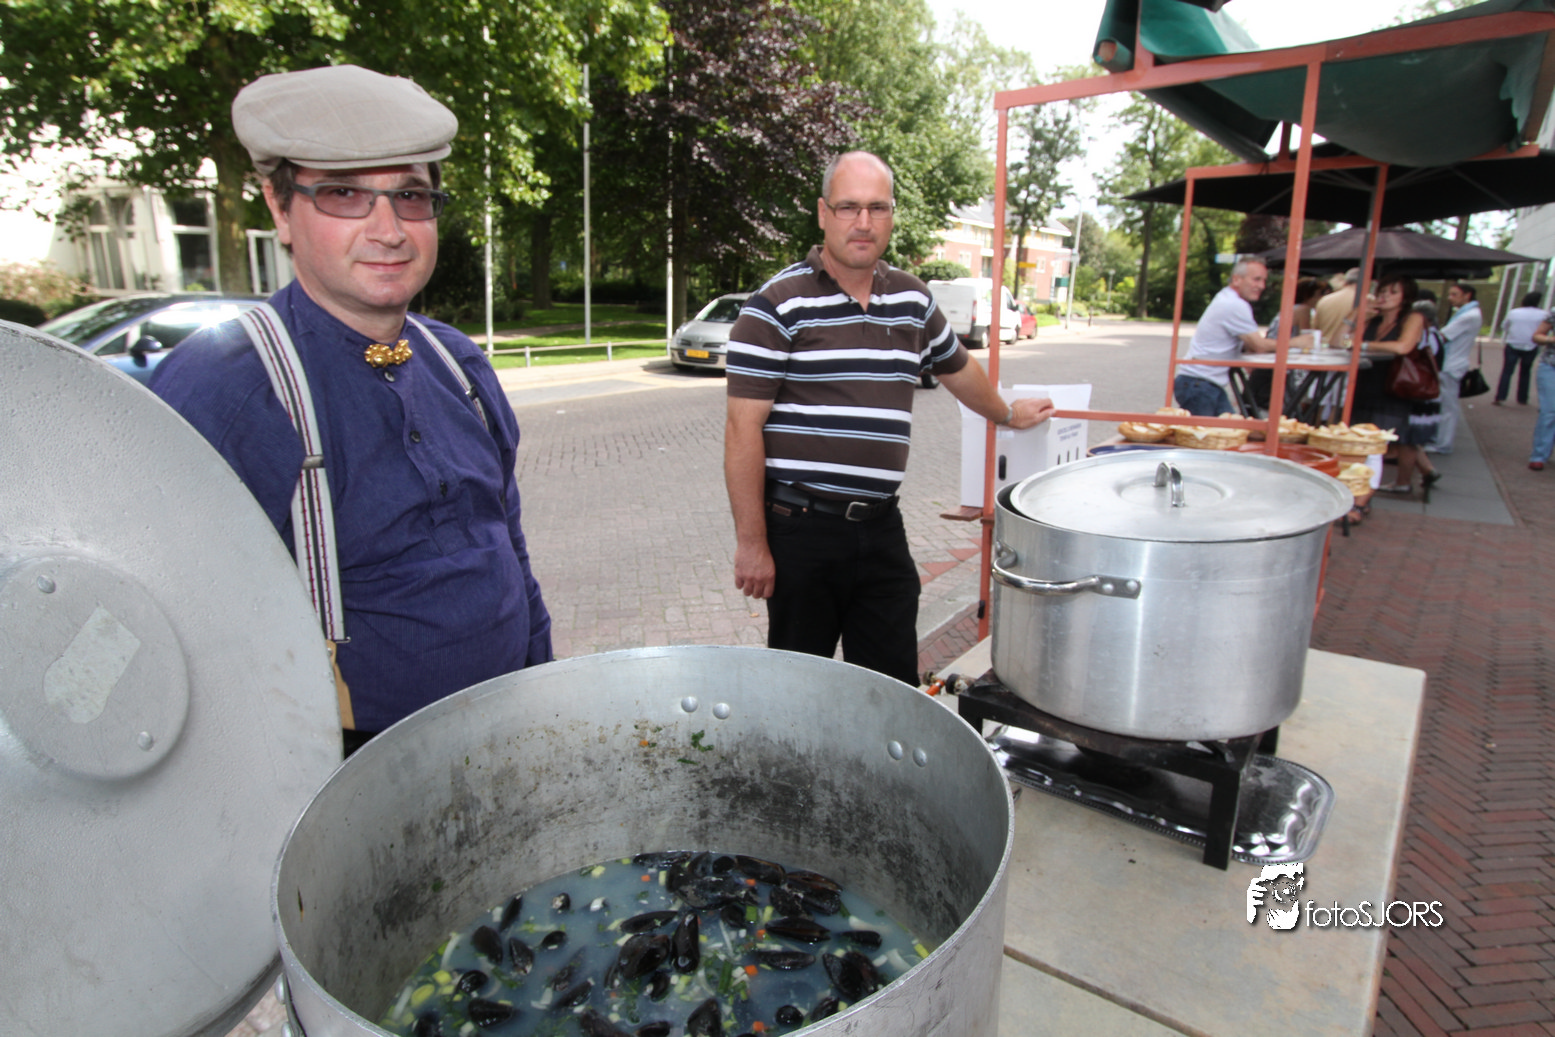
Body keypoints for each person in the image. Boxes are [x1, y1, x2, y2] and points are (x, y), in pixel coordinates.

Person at [151, 65, 552, 752]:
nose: (389, 230)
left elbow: (508, 537)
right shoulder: (227, 385)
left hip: (506, 725)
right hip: (340, 763)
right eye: (345, 194)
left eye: (411, 196)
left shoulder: (458, 361)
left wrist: (544, 675)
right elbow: (175, 633)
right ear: (281, 210)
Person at [723, 151, 1056, 687]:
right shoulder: (776, 304)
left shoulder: (912, 298)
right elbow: (742, 431)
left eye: (877, 208)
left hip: (881, 529)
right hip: (802, 530)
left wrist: (1008, 413)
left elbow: (957, 368)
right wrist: (752, 544)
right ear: (823, 213)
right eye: (848, 207)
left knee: (892, 684)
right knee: (797, 684)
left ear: (891, 215)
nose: (863, 222)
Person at [1174, 257, 1313, 417]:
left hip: (1200, 382)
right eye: (1256, 279)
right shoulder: (1235, 304)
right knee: (1217, 430)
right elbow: (1258, 345)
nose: (1262, 286)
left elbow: (1250, 345)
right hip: (1200, 383)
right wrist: (1297, 342)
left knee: (1229, 428)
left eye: (1264, 280)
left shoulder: (1226, 297)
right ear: (1236, 280)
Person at [1352, 273, 1440, 495]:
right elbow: (1340, 342)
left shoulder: (1413, 317)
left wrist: (1363, 345)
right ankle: (1358, 490)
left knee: (1376, 446)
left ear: (1405, 296)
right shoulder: (1372, 319)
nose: (1385, 296)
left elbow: (1403, 347)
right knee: (1358, 441)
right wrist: (1354, 316)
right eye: (1382, 291)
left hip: (1395, 387)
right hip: (1364, 385)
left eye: (1393, 292)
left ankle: (1365, 498)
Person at [1430, 282, 1482, 454]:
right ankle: (1440, 440)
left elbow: (1443, 336)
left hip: (1450, 365)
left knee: (1447, 407)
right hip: (1453, 363)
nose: (1450, 298)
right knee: (1446, 405)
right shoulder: (1468, 313)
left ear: (1467, 295)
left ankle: (1442, 443)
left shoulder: (1468, 316)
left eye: (1454, 294)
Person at [1495, 291, 1546, 406]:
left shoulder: (1514, 312)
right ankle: (1522, 398)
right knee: (1525, 372)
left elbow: (1505, 326)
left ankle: (1500, 396)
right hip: (1531, 345)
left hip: (1513, 343)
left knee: (1507, 371)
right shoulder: (1543, 314)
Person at [1526, 315, 1555, 469]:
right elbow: (1537, 336)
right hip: (1551, 367)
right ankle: (1539, 455)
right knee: (1549, 411)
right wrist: (1551, 339)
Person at [1312, 267, 1359, 347]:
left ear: (1345, 282)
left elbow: (1315, 328)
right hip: (1347, 346)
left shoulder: (1324, 300)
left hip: (1324, 346)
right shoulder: (1367, 300)